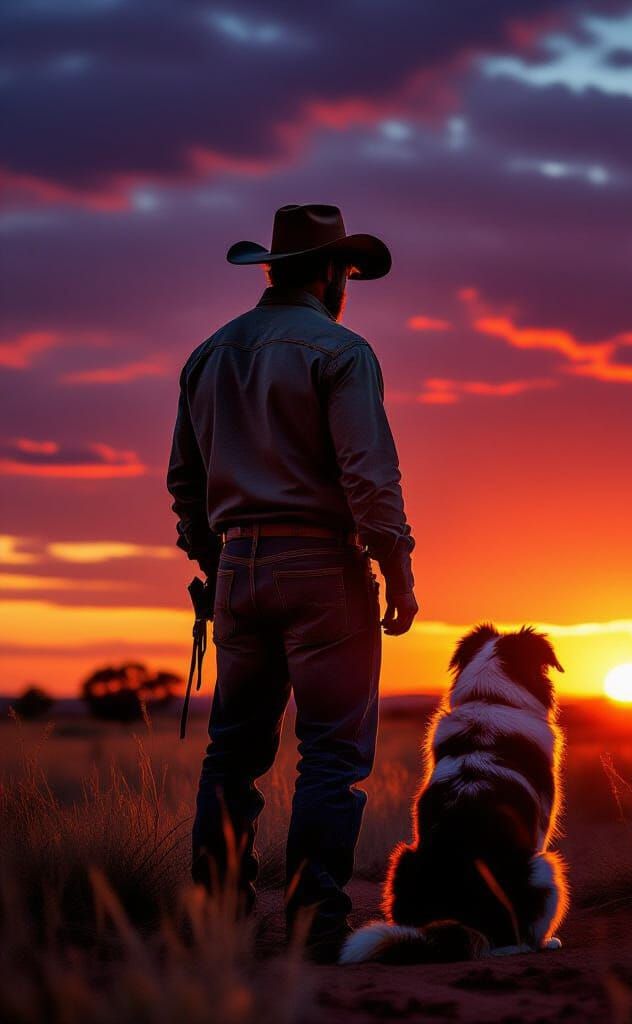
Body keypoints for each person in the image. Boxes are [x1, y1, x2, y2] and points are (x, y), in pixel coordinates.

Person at [166, 203, 418, 962]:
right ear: (333, 272)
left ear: (271, 269)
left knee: (232, 755)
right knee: (333, 755)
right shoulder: (341, 351)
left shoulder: (208, 355)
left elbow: (186, 483)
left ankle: (215, 925)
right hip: (323, 569)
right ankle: (315, 925)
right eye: (347, 272)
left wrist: (217, 566)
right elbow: (368, 478)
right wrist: (397, 569)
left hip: (236, 566)